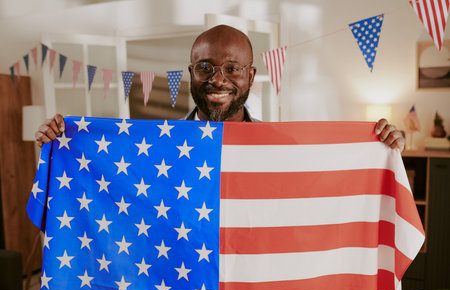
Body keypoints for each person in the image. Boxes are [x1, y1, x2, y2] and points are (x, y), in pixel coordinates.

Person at [35, 25, 405, 151]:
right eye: (205, 67)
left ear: (251, 74)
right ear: (191, 72)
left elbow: (331, 187)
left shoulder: (282, 147)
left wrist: (382, 149)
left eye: (232, 68)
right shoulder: (155, 145)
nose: (217, 79)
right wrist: (60, 145)